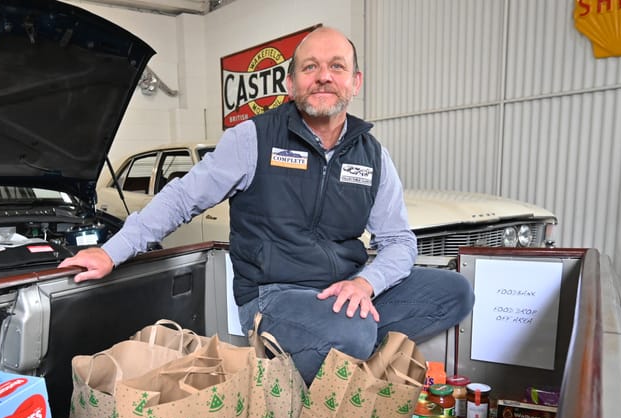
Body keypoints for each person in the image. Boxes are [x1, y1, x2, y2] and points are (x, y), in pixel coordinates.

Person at [59, 26, 473, 384]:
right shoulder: (252, 138)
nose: (323, 77)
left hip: (346, 289)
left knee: (454, 292)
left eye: (336, 66)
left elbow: (400, 241)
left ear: (355, 82)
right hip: (274, 293)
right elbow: (183, 197)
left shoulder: (373, 155)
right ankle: (323, 368)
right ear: (291, 84)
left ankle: (335, 354)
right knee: (353, 332)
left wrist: (366, 284)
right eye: (309, 67)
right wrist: (112, 251)